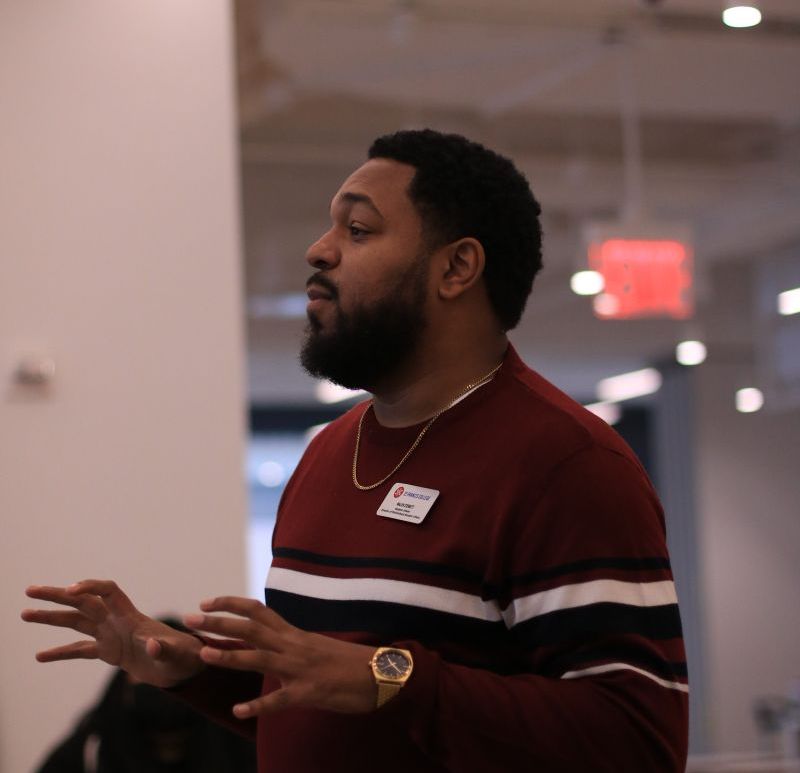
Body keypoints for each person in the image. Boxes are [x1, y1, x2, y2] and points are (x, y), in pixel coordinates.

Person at [23, 129, 688, 772]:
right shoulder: (330, 452)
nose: (319, 250)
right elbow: (327, 700)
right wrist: (194, 667)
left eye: (359, 229)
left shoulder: (567, 465)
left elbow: (636, 741)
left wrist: (390, 677)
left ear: (456, 268)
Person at [34, 619, 257, 773]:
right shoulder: (91, 747)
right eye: (150, 667)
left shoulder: (237, 743)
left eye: (172, 670)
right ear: (123, 679)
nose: (161, 681)